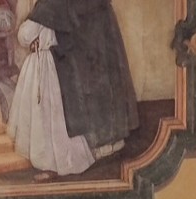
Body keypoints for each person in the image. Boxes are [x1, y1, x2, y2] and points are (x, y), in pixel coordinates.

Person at [23, 0, 136, 161]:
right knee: (94, 82)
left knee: (98, 80)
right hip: (87, 29)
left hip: (91, 29)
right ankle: (102, 142)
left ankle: (106, 141)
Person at [7, 11, 95, 177]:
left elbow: (24, 36)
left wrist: (28, 27)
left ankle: (50, 166)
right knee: (52, 116)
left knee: (47, 117)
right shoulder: (59, 7)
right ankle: (54, 162)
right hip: (54, 63)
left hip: (46, 65)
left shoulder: (46, 8)